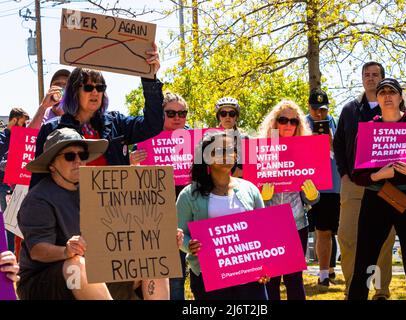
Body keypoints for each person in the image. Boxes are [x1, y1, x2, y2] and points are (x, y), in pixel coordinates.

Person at [28, 43, 165, 300]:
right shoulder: (54, 129)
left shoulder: (116, 122)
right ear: (74, 91)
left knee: (155, 258)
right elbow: (41, 184)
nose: (95, 92)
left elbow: (153, 124)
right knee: (81, 272)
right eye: (88, 87)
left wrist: (150, 77)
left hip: (115, 223)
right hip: (72, 224)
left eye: (100, 87)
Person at [348, 78, 406, 300]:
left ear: (400, 97)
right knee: (364, 264)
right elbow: (357, 175)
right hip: (376, 199)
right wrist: (380, 174)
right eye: (382, 92)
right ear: (377, 98)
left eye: (392, 92)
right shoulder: (368, 130)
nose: (387, 96)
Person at [17, 127, 113, 300]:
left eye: (82, 155)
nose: (78, 161)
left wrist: (158, 240)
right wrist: (65, 252)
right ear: (52, 165)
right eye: (69, 156)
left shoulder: (96, 190)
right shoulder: (38, 199)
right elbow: (38, 250)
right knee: (76, 265)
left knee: (150, 262)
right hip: (42, 283)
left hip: (93, 270)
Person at [177, 131, 269, 300]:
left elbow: (263, 233)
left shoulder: (251, 189)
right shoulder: (188, 195)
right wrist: (189, 246)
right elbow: (179, 234)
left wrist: (266, 267)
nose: (227, 155)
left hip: (250, 277)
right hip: (208, 277)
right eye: (219, 150)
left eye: (231, 150)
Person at [333, 61, 395, 299]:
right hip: (354, 183)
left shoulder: (392, 108)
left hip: (387, 185)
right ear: (362, 79)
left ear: (382, 78)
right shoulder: (349, 109)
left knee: (383, 240)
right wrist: (344, 173)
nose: (370, 78)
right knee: (347, 238)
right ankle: (353, 290)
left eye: (375, 75)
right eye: (366, 75)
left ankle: (380, 291)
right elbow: (338, 144)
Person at [130, 91, 190, 300]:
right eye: (171, 113)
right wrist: (133, 164)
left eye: (182, 113)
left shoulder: (196, 141)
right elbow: (132, 186)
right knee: (168, 273)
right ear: (161, 114)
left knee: (185, 273)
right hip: (156, 217)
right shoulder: (144, 139)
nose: (177, 118)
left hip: (188, 214)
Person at [258, 99, 320, 300]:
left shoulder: (306, 150)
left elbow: (312, 194)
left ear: (299, 125)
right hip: (267, 223)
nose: (288, 125)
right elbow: (248, 192)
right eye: (283, 119)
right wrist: (260, 195)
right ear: (274, 122)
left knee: (294, 279)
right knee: (271, 279)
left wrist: (313, 196)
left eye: (294, 121)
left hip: (297, 222)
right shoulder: (258, 149)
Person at [305, 89, 341, 286]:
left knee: (326, 230)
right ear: (309, 107)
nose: (319, 114)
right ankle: (291, 273)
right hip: (307, 184)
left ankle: (325, 274)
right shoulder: (300, 123)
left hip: (330, 185)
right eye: (315, 110)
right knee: (306, 230)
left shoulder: (333, 122)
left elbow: (340, 151)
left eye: (323, 110)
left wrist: (330, 141)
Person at [0, 107, 30, 252]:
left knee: (21, 223)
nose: (24, 127)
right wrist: (6, 163)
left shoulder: (23, 138)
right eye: (23, 123)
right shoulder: (1, 138)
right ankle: (9, 258)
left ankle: (18, 257)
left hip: (20, 186)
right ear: (14, 120)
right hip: (4, 187)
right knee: (8, 225)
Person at [215, 97, 247, 178]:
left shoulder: (245, 139)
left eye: (232, 114)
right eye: (223, 113)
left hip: (241, 186)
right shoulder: (209, 139)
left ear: (236, 117)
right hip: (217, 187)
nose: (227, 117)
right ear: (219, 117)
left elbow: (252, 169)